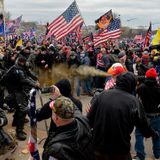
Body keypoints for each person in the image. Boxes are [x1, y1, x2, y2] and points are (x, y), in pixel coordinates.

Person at [87, 72, 159, 160]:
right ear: (131, 84)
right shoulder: (134, 102)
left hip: (98, 148)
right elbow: (144, 127)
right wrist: (153, 133)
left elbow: (89, 119)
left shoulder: (102, 95)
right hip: (120, 150)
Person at [42, 96, 95, 160]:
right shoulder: (83, 119)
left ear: (56, 118)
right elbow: (74, 108)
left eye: (52, 111)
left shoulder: (56, 150)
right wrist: (60, 96)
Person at [0, 56, 40, 140]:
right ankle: (19, 131)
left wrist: (34, 81)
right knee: (23, 109)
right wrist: (34, 84)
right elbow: (23, 79)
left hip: (15, 89)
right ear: (22, 62)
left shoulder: (20, 67)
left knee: (20, 106)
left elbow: (28, 76)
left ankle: (15, 121)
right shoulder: (17, 69)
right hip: (13, 90)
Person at [134, 68, 160, 160]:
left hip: (143, 115)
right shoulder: (158, 88)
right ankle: (157, 154)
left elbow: (136, 99)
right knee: (156, 135)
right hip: (156, 115)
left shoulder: (141, 87)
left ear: (147, 76)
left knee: (139, 134)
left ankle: (140, 155)